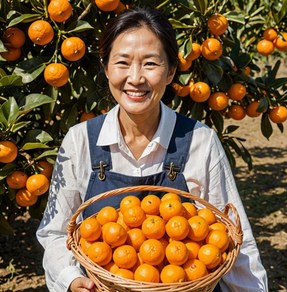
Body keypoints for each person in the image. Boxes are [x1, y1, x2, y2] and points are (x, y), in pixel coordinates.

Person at [36, 7, 268, 292]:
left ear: (171, 71)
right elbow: (55, 232)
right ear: (105, 66)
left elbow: (233, 240)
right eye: (122, 62)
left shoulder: (199, 141)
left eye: (150, 64)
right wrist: (71, 280)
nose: (135, 78)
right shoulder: (80, 140)